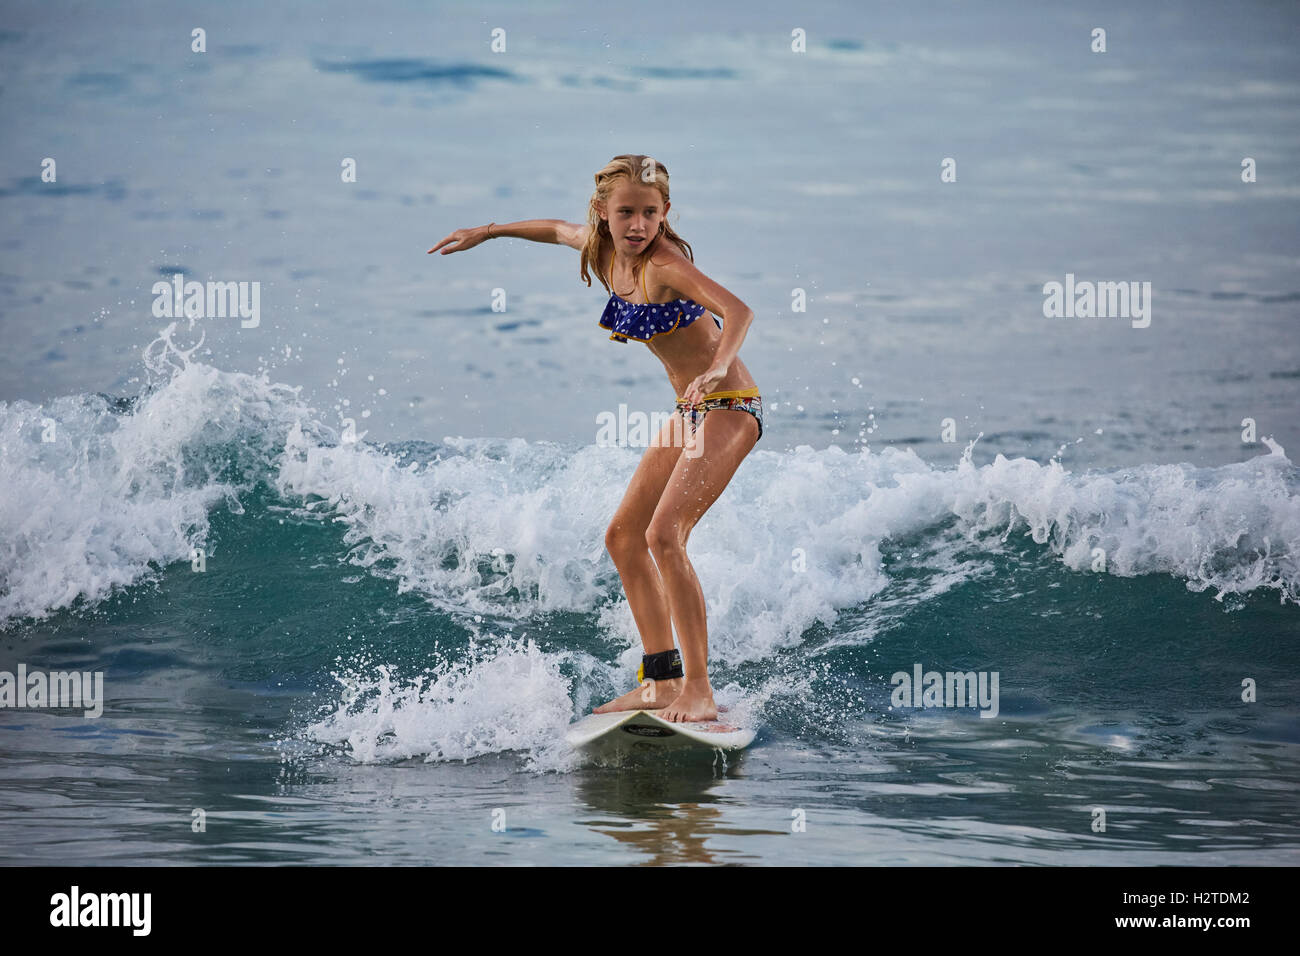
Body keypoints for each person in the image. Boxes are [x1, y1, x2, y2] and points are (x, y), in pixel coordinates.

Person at [428, 154, 762, 722]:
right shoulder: (602, 251)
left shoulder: (665, 265)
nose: (637, 225)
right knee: (623, 536)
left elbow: (738, 310)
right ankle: (661, 680)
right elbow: (555, 231)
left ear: (665, 214)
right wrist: (484, 233)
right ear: (603, 213)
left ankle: (699, 690)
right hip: (690, 412)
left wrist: (717, 366)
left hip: (729, 406)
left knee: (665, 535)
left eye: (649, 213)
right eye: (626, 212)